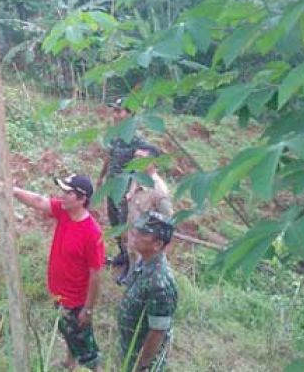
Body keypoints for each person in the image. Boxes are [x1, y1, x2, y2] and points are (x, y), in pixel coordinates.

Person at [10, 174, 105, 371]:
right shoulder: (63, 212)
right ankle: (70, 363)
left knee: (86, 349)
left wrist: (87, 309)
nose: (62, 195)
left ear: (81, 199)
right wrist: (15, 191)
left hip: (76, 301)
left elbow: (96, 274)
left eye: (67, 193)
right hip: (59, 293)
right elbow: (39, 201)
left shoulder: (92, 232)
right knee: (67, 331)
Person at [117, 211, 178, 372]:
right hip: (129, 349)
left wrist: (141, 364)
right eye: (137, 229)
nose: (135, 234)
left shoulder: (160, 283)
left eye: (143, 233)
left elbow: (157, 332)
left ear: (157, 244)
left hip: (142, 360)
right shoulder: (143, 262)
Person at [97, 98, 147, 275]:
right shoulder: (116, 135)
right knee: (114, 222)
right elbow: (109, 157)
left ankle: (131, 267)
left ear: (130, 113)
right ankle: (122, 255)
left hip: (127, 191)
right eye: (115, 111)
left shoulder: (137, 139)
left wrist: (132, 190)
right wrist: (101, 178)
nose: (116, 115)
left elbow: (142, 166)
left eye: (120, 111)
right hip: (112, 187)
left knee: (126, 228)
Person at [125, 143, 173, 274]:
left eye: (141, 157)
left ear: (153, 162)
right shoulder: (136, 180)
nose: (135, 161)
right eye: (135, 157)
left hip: (147, 253)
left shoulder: (159, 190)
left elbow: (168, 223)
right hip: (133, 245)